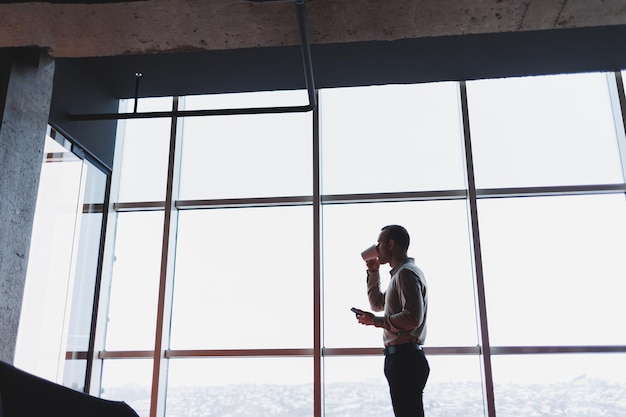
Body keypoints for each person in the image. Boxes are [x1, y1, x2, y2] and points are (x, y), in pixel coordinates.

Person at [352, 224, 429, 417]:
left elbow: (412, 318)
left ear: (391, 244)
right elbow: (378, 304)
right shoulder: (402, 273)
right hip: (404, 358)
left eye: (379, 243)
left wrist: (376, 322)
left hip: (405, 360)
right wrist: (373, 272)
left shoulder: (405, 274)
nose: (376, 249)